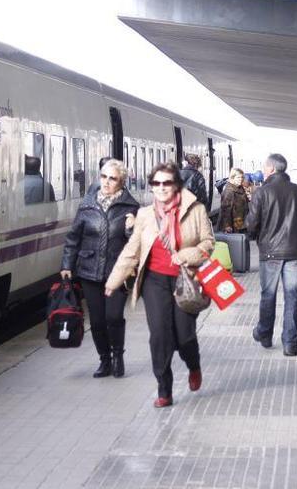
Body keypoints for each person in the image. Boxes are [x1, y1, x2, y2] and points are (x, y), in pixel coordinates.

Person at [105, 162, 214, 408]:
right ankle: (164, 390)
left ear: (176, 185)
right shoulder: (144, 215)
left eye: (167, 183)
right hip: (154, 281)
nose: (161, 188)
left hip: (184, 278)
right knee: (159, 336)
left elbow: (208, 243)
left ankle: (193, 365)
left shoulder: (195, 209)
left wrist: (187, 255)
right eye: (156, 183)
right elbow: (132, 251)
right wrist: (114, 281)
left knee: (184, 337)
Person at [61, 160, 138, 378]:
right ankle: (104, 360)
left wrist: (132, 229)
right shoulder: (87, 205)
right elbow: (73, 238)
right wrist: (67, 264)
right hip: (89, 271)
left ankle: (117, 356)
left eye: (112, 178)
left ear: (121, 181)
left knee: (113, 317)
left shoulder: (130, 208)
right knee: (96, 321)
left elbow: (136, 244)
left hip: (117, 272)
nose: (106, 182)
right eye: (103, 177)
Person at [247, 154, 297, 357]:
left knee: (268, 295)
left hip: (269, 253)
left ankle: (264, 333)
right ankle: (290, 343)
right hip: (294, 252)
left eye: (265, 167)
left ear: (271, 169)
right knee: (292, 296)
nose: (264, 171)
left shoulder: (261, 192)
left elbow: (251, 224)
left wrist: (256, 236)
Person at [218, 168, 249, 233]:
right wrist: (227, 225)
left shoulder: (239, 188)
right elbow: (225, 210)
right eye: (238, 177)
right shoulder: (229, 192)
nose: (241, 179)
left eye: (242, 177)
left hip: (240, 222)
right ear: (232, 178)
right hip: (232, 224)